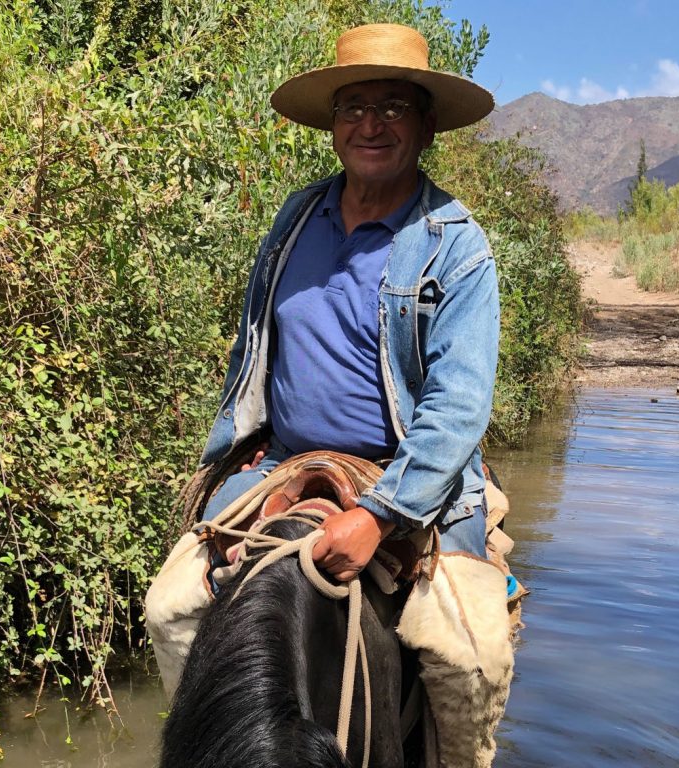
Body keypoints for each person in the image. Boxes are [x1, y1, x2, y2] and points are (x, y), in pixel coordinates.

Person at [147, 23, 515, 768]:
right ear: (333, 124)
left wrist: (381, 518)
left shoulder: (456, 245)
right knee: (169, 609)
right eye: (354, 108)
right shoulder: (294, 220)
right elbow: (254, 346)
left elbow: (457, 405)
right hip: (284, 463)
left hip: (407, 473)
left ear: (427, 124)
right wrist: (241, 448)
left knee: (466, 653)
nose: (370, 125)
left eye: (392, 108)